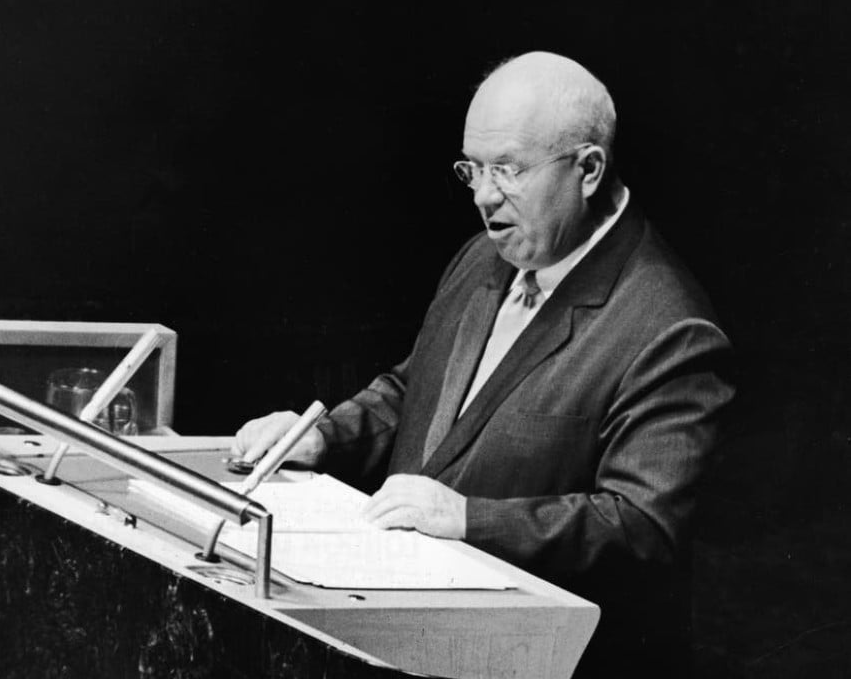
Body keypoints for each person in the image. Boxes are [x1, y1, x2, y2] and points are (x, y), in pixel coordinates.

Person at [232, 51, 734, 677]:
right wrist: (323, 436)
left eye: (507, 169)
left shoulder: (671, 329)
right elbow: (415, 392)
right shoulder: (486, 255)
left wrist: (468, 520)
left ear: (588, 169)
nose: (483, 196)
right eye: (472, 169)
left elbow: (641, 527)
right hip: (425, 640)